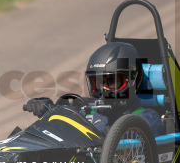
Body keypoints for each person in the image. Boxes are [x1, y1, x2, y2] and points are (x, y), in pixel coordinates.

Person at [22, 42, 165, 137]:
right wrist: (50, 110)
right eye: (98, 82)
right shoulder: (88, 112)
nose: (104, 88)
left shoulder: (146, 118)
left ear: (133, 80)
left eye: (112, 81)